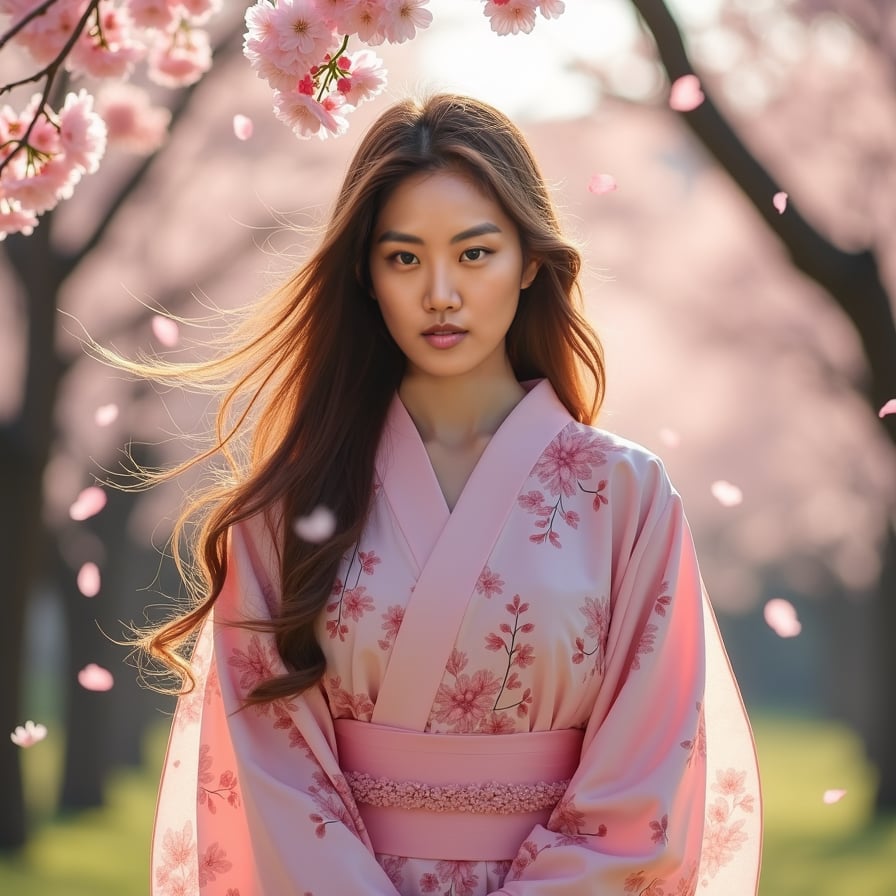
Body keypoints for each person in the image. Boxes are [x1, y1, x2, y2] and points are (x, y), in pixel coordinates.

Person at [143, 93, 761, 896]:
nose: (440, 292)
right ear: (366, 274)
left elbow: (646, 769)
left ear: (530, 260)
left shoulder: (626, 494)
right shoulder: (291, 503)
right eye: (404, 258)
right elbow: (270, 766)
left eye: (475, 254)